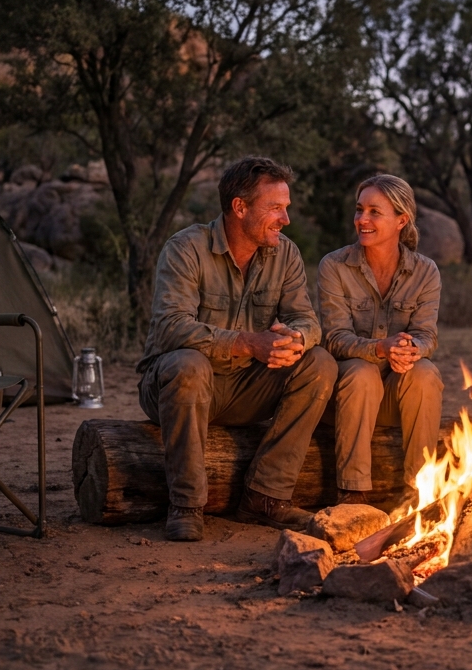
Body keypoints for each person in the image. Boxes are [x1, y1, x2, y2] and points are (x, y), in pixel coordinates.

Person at [136, 156, 337, 542]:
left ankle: (265, 497)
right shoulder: (185, 249)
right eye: (275, 208)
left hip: (246, 387)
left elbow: (308, 322)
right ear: (239, 207)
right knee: (189, 364)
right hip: (177, 385)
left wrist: (292, 341)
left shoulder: (286, 253)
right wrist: (249, 342)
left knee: (319, 362)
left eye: (286, 208)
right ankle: (186, 504)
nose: (285, 219)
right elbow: (169, 327)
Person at [317, 175, 443, 508]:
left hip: (395, 395)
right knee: (361, 372)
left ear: (402, 220)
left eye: (375, 212)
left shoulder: (425, 272)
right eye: (360, 210)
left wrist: (409, 350)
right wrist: (378, 348)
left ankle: (421, 492)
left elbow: (427, 335)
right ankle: (352, 494)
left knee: (426, 373)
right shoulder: (335, 266)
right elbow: (334, 337)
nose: (362, 219)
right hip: (347, 398)